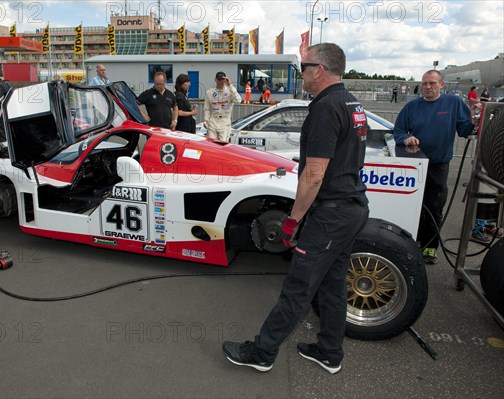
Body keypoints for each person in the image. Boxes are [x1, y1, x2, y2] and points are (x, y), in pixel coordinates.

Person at [222, 42, 369, 374]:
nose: (301, 73)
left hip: (331, 214)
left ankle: (262, 353)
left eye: (304, 67)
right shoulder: (351, 103)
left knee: (299, 287)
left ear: (318, 70)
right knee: (332, 285)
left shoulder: (326, 107)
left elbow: (315, 173)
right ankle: (330, 351)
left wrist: (293, 219)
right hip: (352, 207)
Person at [393, 70, 474, 264]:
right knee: (413, 206)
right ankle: (413, 244)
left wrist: (475, 121)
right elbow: (398, 130)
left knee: (434, 207)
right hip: (415, 166)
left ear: (441, 85)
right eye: (425, 83)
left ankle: (430, 247)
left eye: (432, 83)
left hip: (438, 165)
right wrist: (406, 138)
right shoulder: (412, 106)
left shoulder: (453, 103)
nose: (428, 87)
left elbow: (465, 129)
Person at [203, 71, 242, 141]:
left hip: (225, 121)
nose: (220, 81)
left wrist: (230, 85)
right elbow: (207, 108)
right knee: (212, 144)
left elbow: (238, 100)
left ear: (225, 80)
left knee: (222, 144)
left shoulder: (230, 91)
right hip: (213, 120)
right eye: (219, 79)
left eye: (222, 79)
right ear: (215, 80)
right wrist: (206, 120)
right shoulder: (209, 92)